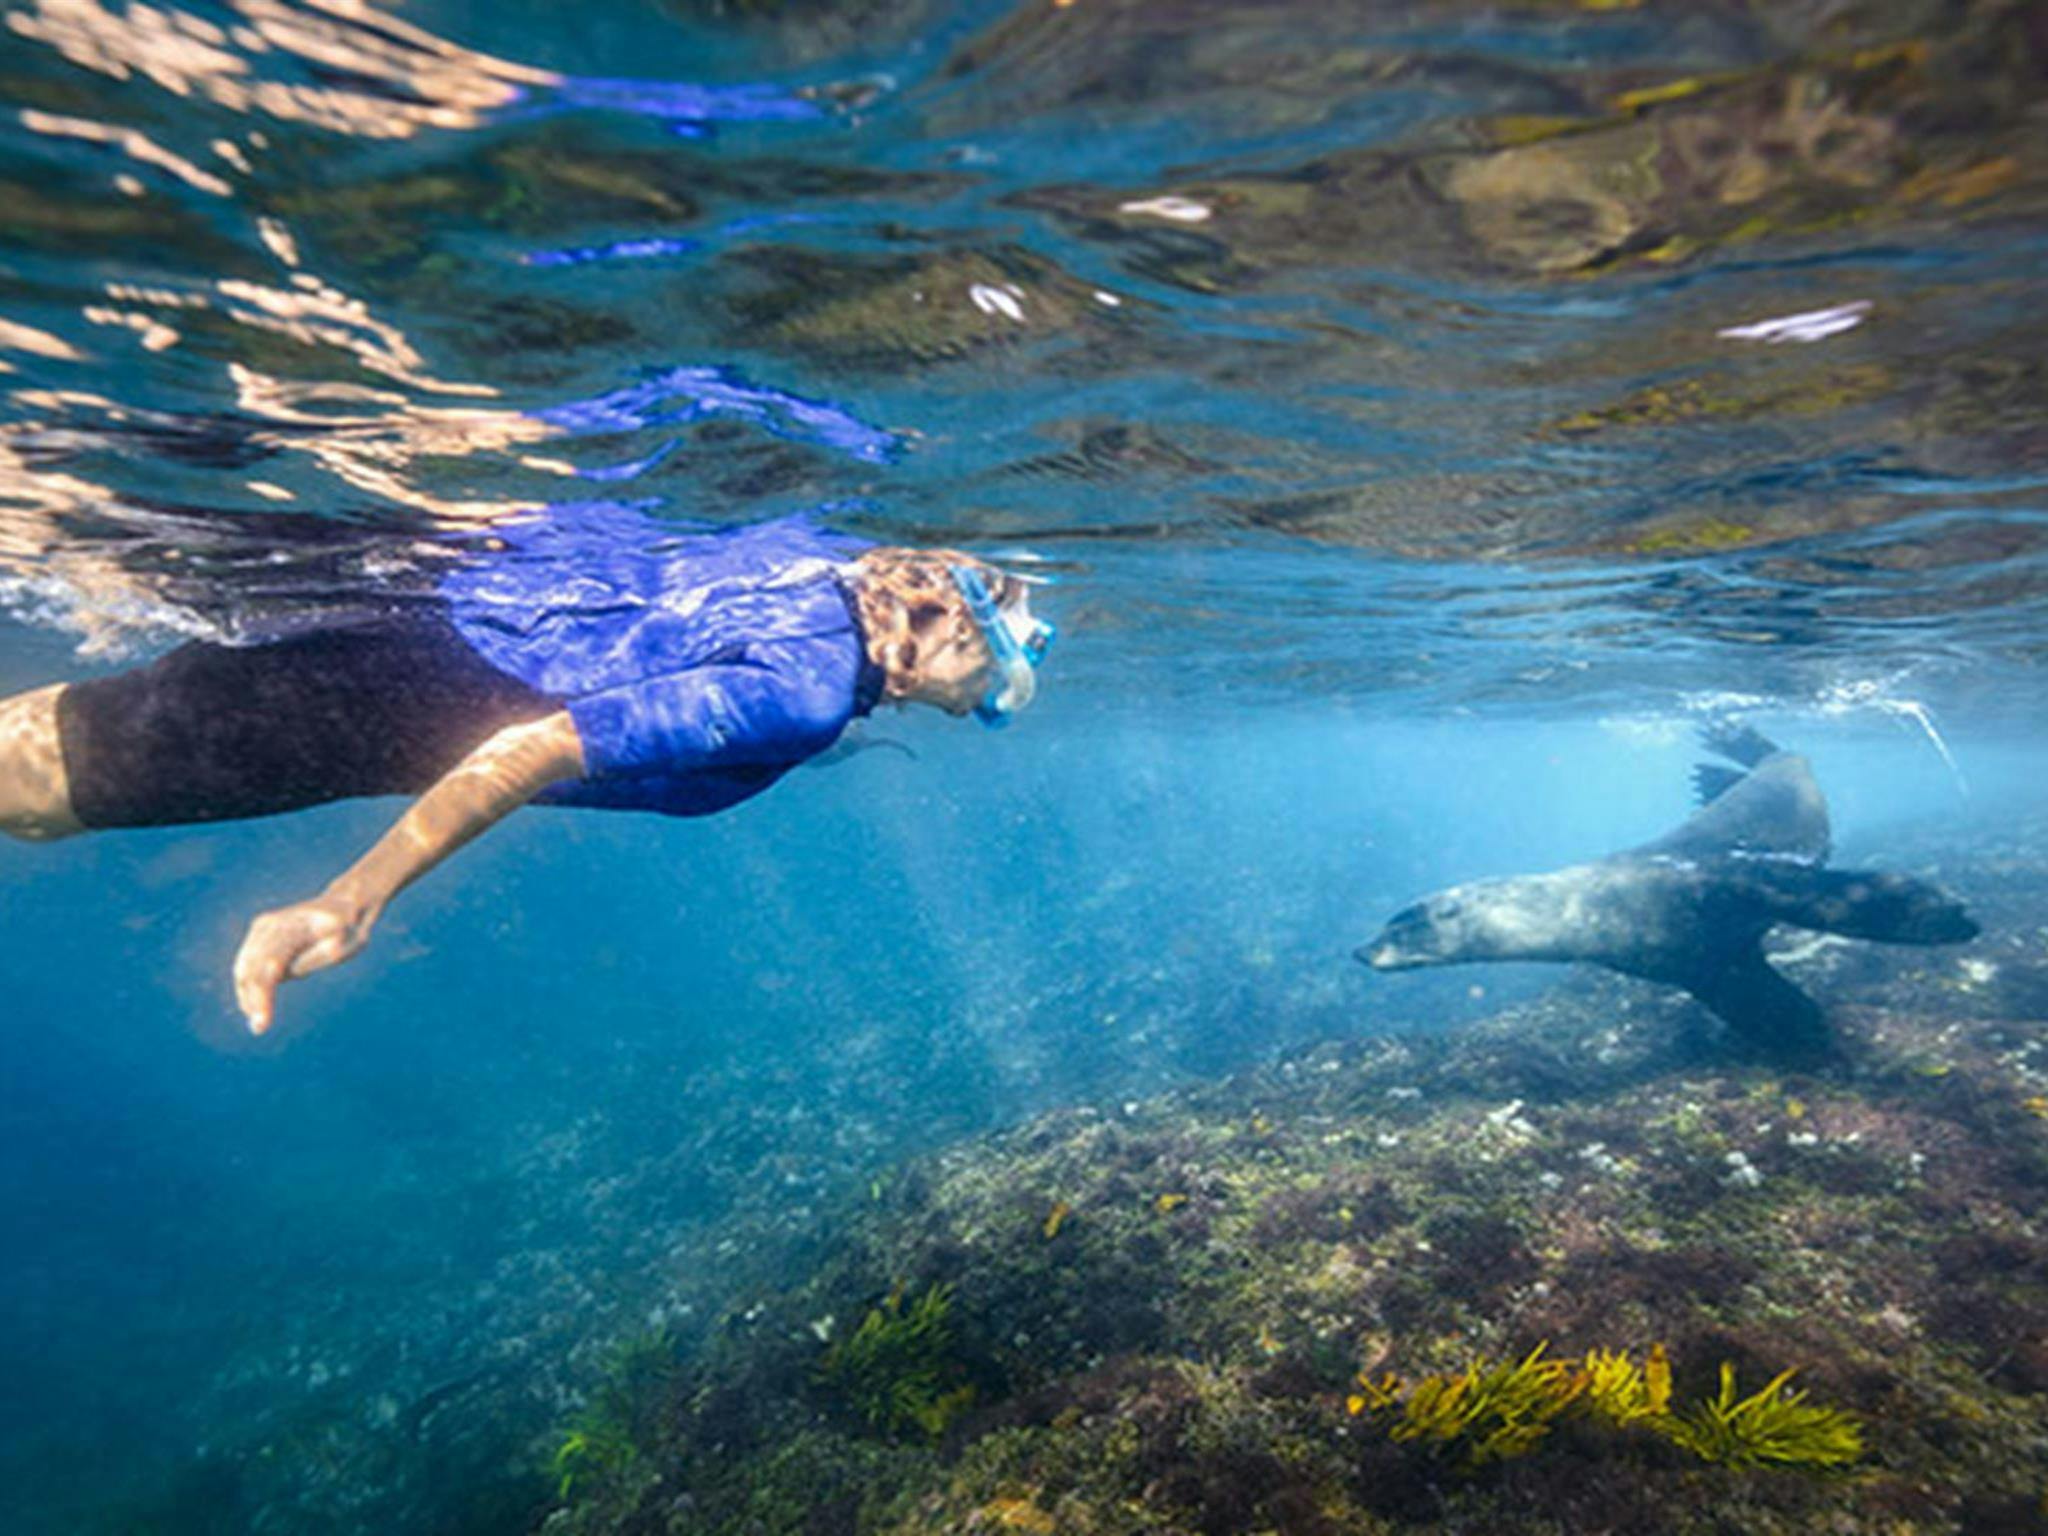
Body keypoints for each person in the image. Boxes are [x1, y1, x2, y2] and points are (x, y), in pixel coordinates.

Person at [0, 504, 1053, 1035]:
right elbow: (532, 746)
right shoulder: (805, 690)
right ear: (933, 625)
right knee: (33, 792)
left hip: (405, 586)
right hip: (361, 697)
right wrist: (349, 900)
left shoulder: (807, 556)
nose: (988, 705)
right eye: (999, 672)